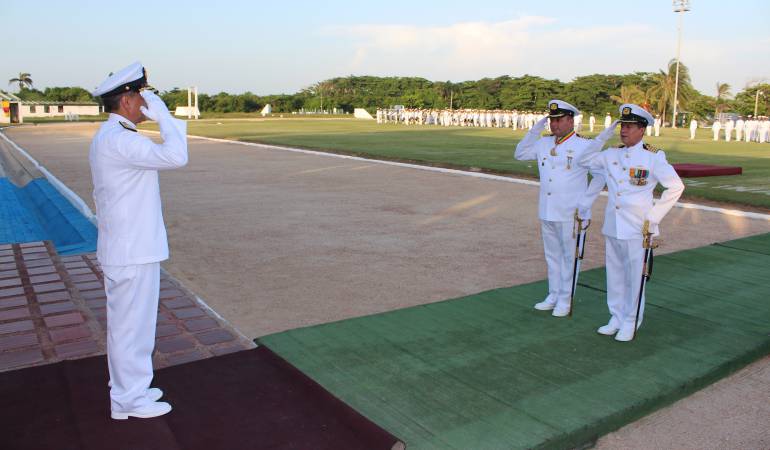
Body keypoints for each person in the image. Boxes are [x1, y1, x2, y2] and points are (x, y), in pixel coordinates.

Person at [90, 62, 188, 419]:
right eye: (142, 96)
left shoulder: (114, 136)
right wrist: (165, 119)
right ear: (127, 100)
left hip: (131, 247)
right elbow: (176, 156)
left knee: (133, 326)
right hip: (131, 250)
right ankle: (128, 400)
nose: (146, 103)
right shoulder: (121, 140)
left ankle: (132, 388)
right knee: (131, 328)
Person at [578, 104, 684, 341]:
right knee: (614, 275)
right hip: (613, 225)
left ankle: (631, 320)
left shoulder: (653, 157)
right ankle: (616, 316)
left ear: (642, 129)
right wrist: (604, 135)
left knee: (635, 277)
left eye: (629, 126)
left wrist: (653, 218)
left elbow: (676, 186)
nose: (624, 130)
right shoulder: (611, 154)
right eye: (622, 125)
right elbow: (582, 160)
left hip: (638, 227)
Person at [514, 100, 609, 317]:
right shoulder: (544, 142)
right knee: (552, 256)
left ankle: (565, 299)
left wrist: (585, 203)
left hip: (571, 212)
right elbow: (520, 153)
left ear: (570, 121)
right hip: (548, 209)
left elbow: (600, 176)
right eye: (552, 120)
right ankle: (553, 294)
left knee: (569, 257)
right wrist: (535, 129)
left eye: (559, 120)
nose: (554, 124)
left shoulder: (584, 146)